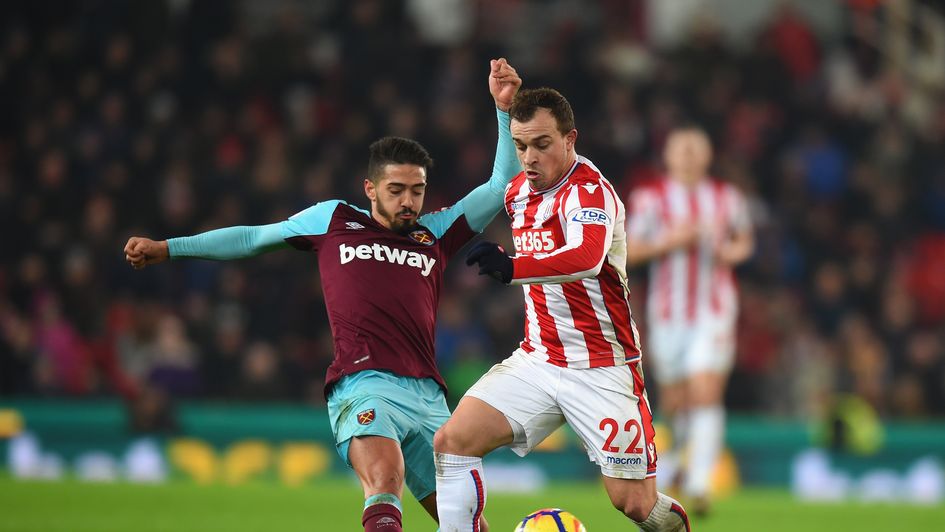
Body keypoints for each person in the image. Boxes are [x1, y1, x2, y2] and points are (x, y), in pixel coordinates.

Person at [123, 59, 522, 532]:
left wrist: (504, 109)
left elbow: (500, 187)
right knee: (384, 477)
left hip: (429, 395)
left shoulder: (435, 232)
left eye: (417, 191)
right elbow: (253, 238)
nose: (409, 202)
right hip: (363, 382)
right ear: (370, 188)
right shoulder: (334, 221)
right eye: (396, 190)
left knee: (465, 523)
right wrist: (170, 248)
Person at [433, 88, 691, 532]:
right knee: (453, 440)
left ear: (570, 139)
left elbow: (587, 258)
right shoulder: (518, 193)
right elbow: (504, 176)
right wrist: (501, 106)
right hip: (539, 360)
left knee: (634, 503)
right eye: (521, 146)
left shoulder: (590, 193)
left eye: (542, 144)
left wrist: (513, 267)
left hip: (603, 369)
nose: (529, 157)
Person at [625, 125, 754, 515]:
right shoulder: (650, 198)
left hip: (713, 310)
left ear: (708, 155)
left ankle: (700, 484)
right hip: (668, 314)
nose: (689, 156)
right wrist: (670, 241)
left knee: (705, 390)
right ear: (668, 156)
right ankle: (680, 460)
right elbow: (628, 250)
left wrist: (730, 253)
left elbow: (744, 241)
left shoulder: (726, 197)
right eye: (682, 149)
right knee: (676, 400)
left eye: (696, 149)